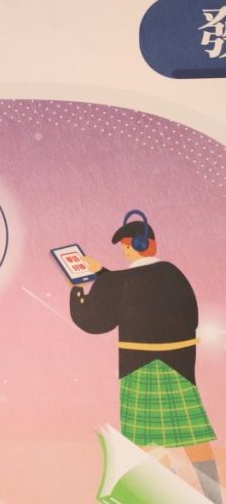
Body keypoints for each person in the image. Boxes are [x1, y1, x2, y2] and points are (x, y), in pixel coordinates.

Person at [69, 212, 221, 503]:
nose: (125, 251)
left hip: (139, 368)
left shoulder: (122, 281)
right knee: (193, 436)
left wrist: (77, 290)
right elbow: (134, 288)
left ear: (135, 246)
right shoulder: (173, 273)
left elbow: (95, 319)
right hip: (178, 366)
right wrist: (102, 274)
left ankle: (161, 496)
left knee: (145, 441)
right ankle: (214, 497)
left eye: (126, 246)